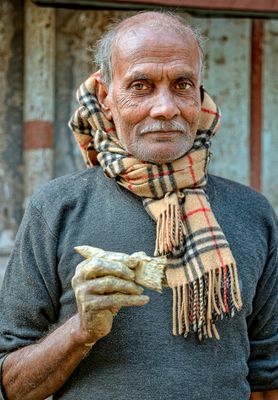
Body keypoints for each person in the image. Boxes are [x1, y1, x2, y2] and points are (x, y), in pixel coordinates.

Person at [0, 11, 277, 400]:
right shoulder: (56, 208)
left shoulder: (253, 213)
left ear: (200, 96)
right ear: (106, 99)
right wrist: (81, 330)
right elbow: (11, 386)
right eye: (141, 85)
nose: (165, 108)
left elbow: (268, 377)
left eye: (182, 84)